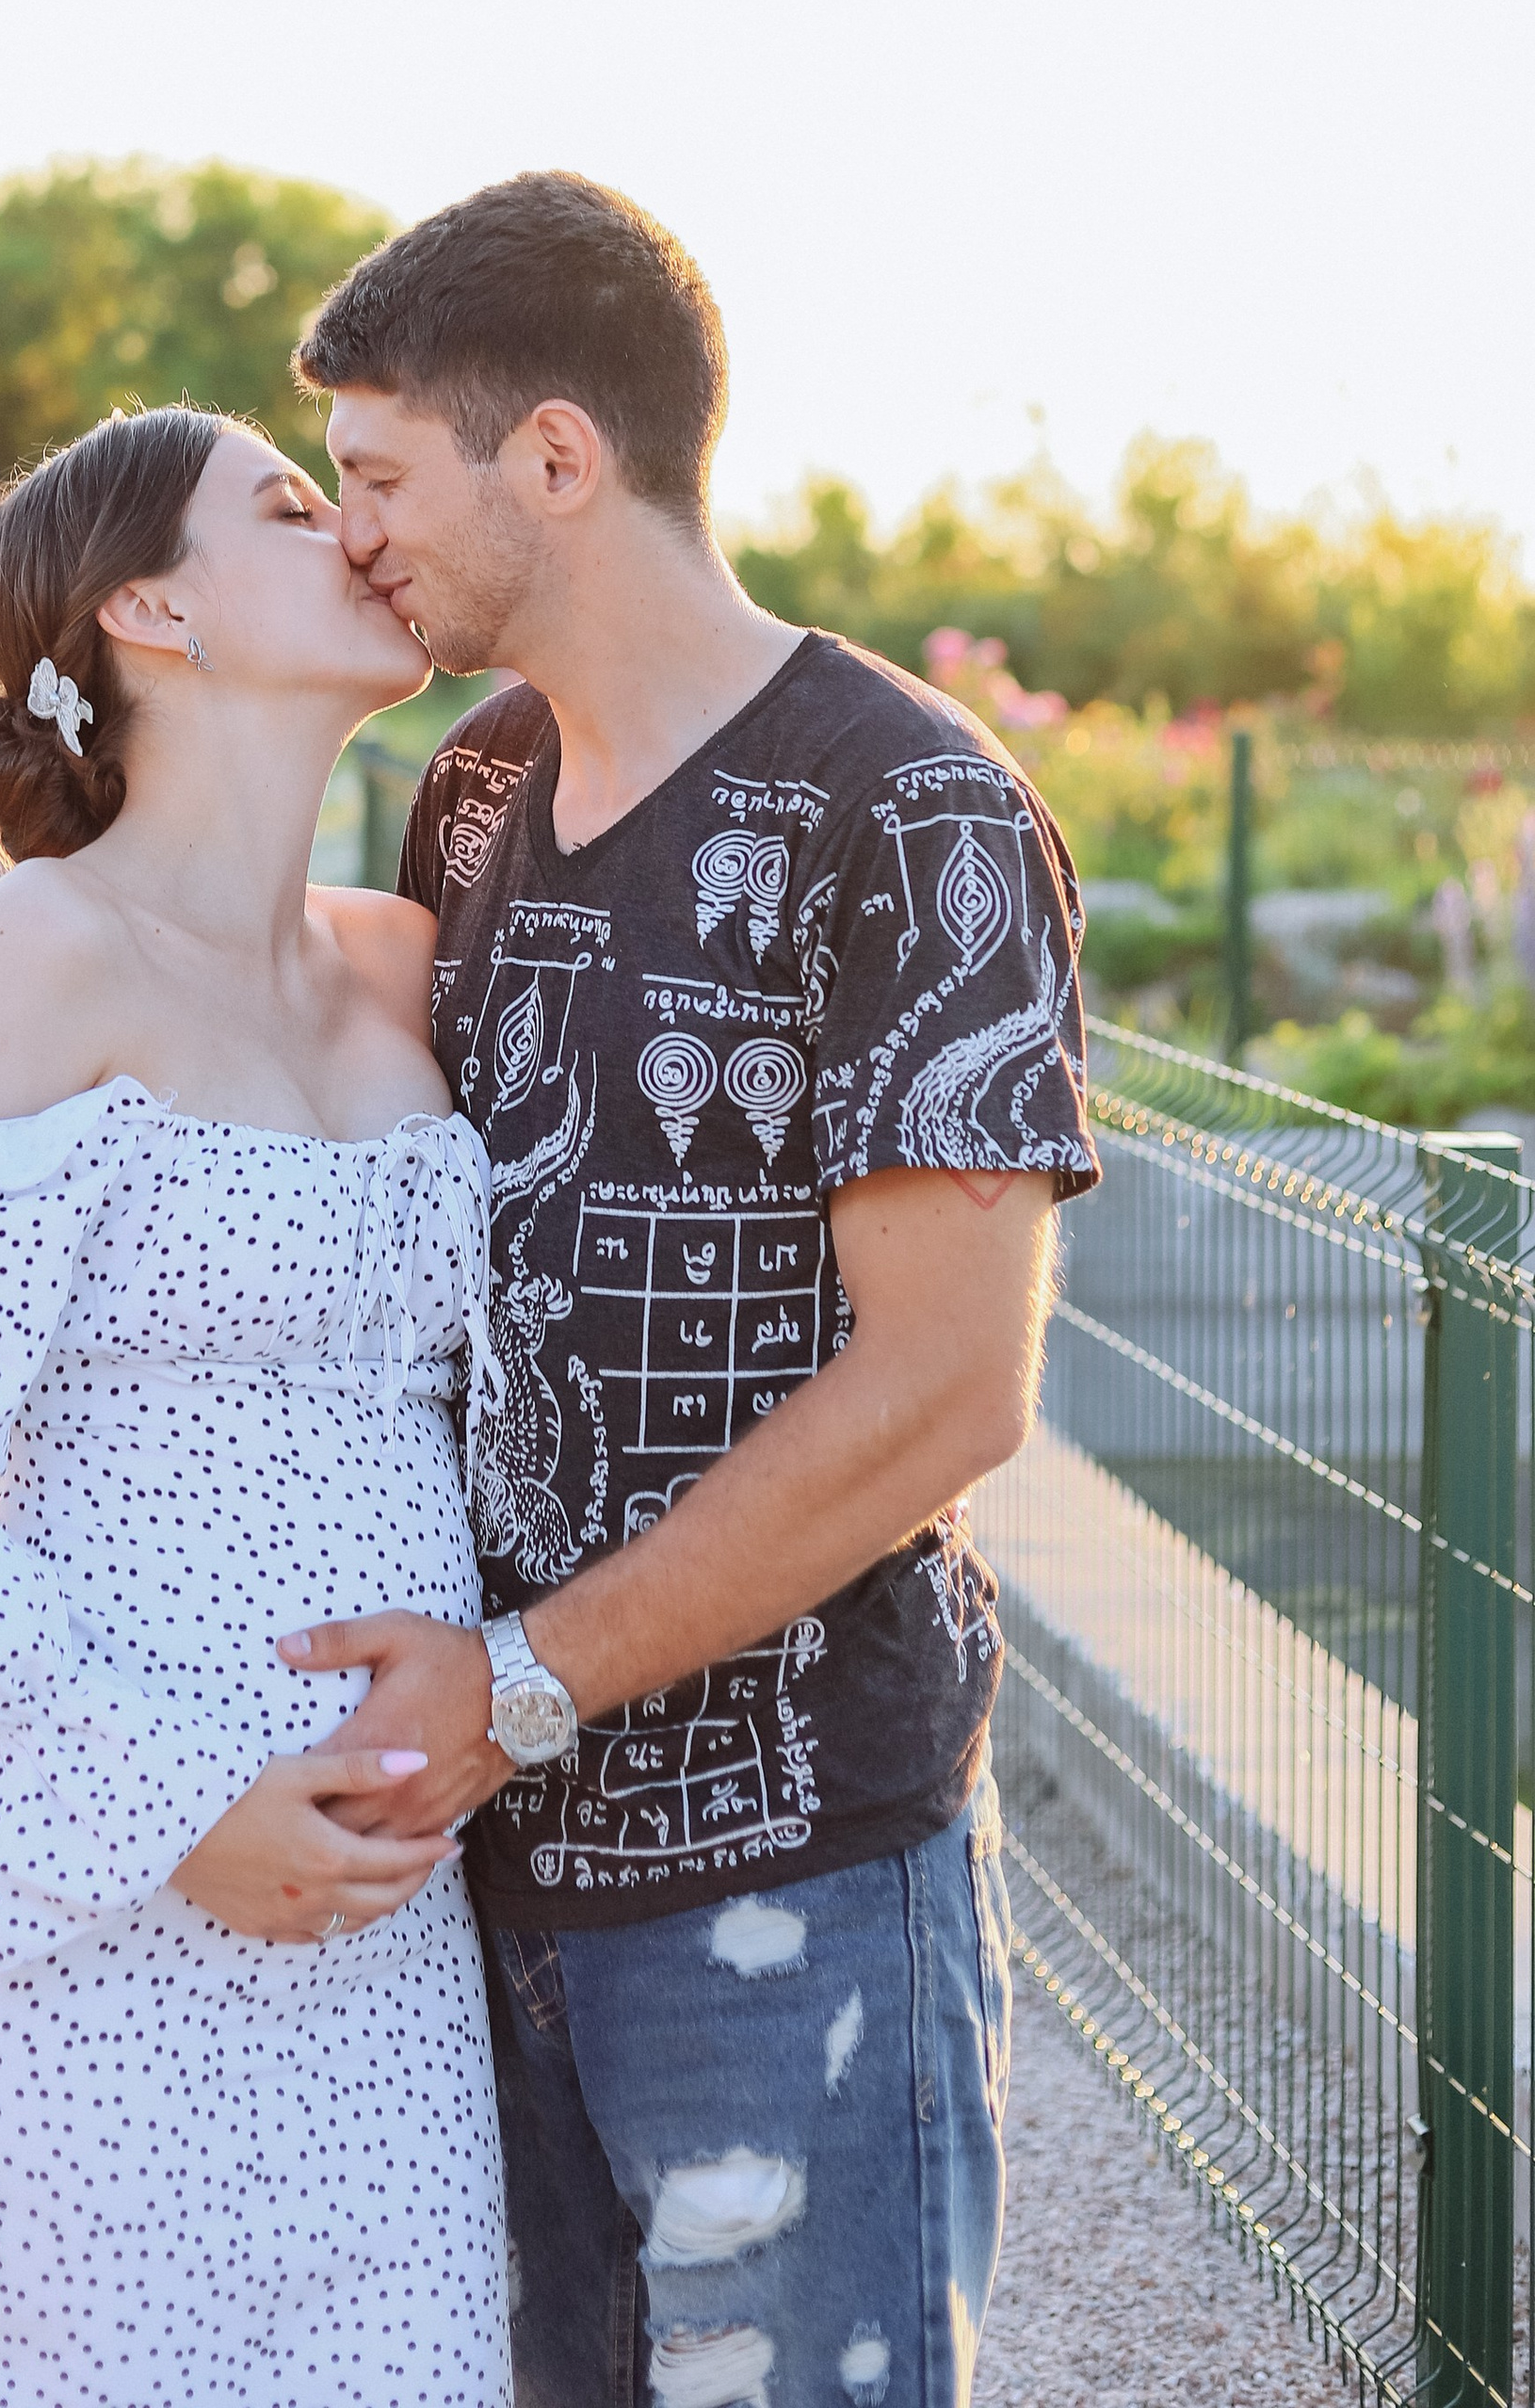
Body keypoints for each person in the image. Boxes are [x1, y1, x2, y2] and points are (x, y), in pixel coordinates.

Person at [283, 173, 1099, 2408]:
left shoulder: (902, 815)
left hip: (788, 1878)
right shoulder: (470, 793)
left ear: (554, 457)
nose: (350, 535)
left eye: (375, 479)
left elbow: (947, 1395)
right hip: (477, 1871)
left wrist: (520, 1684)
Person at [0, 404, 509, 2408]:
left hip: (387, 1933)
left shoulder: (410, 966)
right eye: (298, 506)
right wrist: (173, 1807)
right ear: (152, 604)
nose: (363, 538)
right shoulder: (35, 960)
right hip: (87, 1916)